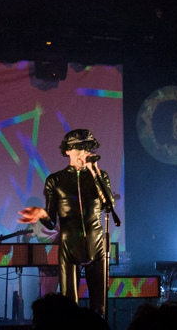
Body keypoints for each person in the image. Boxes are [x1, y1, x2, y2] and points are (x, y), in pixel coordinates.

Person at [18, 129, 114, 316]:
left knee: (99, 307)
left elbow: (109, 206)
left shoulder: (100, 176)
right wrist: (40, 213)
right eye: (78, 148)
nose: (83, 153)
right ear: (68, 151)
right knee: (69, 307)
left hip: (96, 246)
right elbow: (51, 222)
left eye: (87, 149)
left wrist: (95, 174)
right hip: (70, 247)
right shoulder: (55, 180)